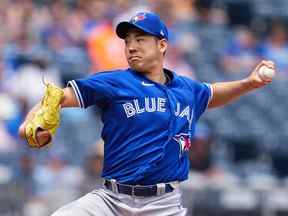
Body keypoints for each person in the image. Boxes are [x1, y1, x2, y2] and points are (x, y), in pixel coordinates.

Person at [18, 12, 275, 216]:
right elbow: (56, 97)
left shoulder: (187, 89)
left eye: (140, 39)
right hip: (111, 201)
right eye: (128, 41)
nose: (131, 47)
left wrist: (249, 83)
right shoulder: (115, 82)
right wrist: (32, 120)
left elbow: (212, 93)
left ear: (162, 45)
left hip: (164, 205)